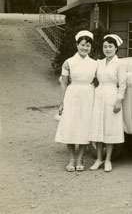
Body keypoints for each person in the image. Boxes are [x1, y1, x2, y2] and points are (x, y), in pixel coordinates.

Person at [55, 30, 98, 172]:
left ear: (91, 47)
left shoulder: (94, 63)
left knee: (85, 125)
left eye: (88, 46)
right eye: (82, 45)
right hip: (72, 94)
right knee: (71, 125)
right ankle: (71, 159)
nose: (85, 48)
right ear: (77, 45)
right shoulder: (69, 62)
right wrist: (61, 103)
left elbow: (99, 81)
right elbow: (64, 84)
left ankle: (80, 159)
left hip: (88, 94)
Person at [88, 34, 127, 172]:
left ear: (116, 48)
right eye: (105, 46)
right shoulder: (99, 62)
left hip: (111, 96)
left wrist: (118, 101)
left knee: (109, 128)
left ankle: (108, 160)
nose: (107, 49)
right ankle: (98, 159)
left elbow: (122, 84)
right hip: (99, 96)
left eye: (110, 46)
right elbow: (90, 76)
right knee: (98, 128)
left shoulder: (120, 63)